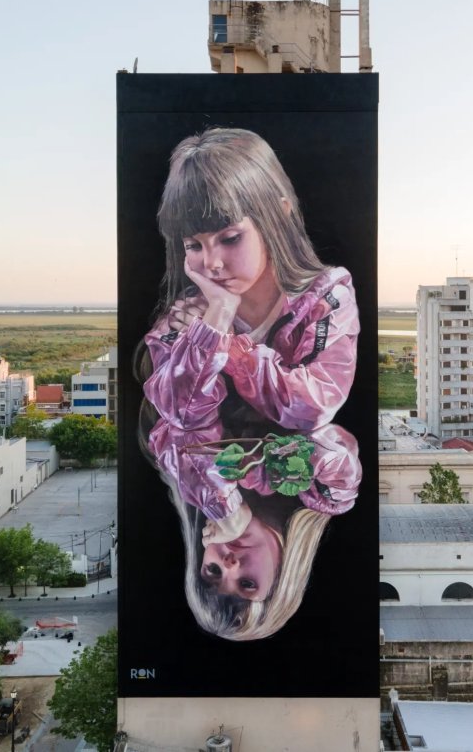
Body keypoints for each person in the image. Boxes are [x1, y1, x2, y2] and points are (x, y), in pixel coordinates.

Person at [139, 127, 362, 641]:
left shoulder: (324, 298)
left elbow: (183, 429)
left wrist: (219, 337)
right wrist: (217, 322)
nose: (211, 263)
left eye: (213, 573)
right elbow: (313, 424)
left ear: (278, 212)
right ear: (284, 575)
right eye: (195, 245)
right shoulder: (328, 489)